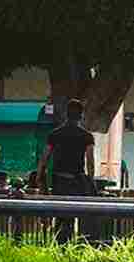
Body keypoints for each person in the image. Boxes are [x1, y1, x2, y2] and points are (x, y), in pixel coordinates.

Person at [36, 98, 96, 243]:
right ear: (81, 115)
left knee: (59, 213)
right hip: (77, 181)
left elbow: (44, 158)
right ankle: (73, 243)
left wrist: (39, 176)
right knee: (75, 214)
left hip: (59, 180)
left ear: (66, 114)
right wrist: (90, 180)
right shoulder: (87, 136)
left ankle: (58, 243)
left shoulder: (55, 134)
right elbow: (90, 162)